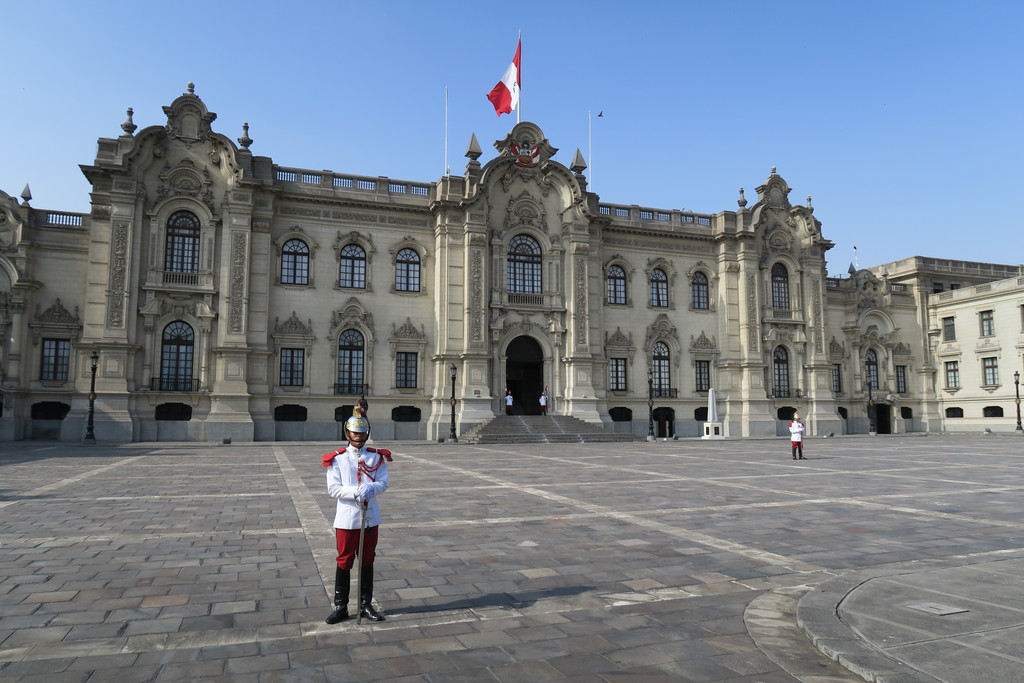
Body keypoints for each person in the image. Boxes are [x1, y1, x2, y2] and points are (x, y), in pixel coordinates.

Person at [321, 406, 392, 623]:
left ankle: (365, 604)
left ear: (367, 433)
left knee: (367, 560)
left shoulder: (376, 457)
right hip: (347, 517)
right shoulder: (337, 459)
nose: (359, 437)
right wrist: (355, 491)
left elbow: (383, 482)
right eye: (355, 433)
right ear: (347, 433)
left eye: (362, 433)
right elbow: (333, 489)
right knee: (344, 560)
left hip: (370, 517)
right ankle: (341, 606)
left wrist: (373, 488)